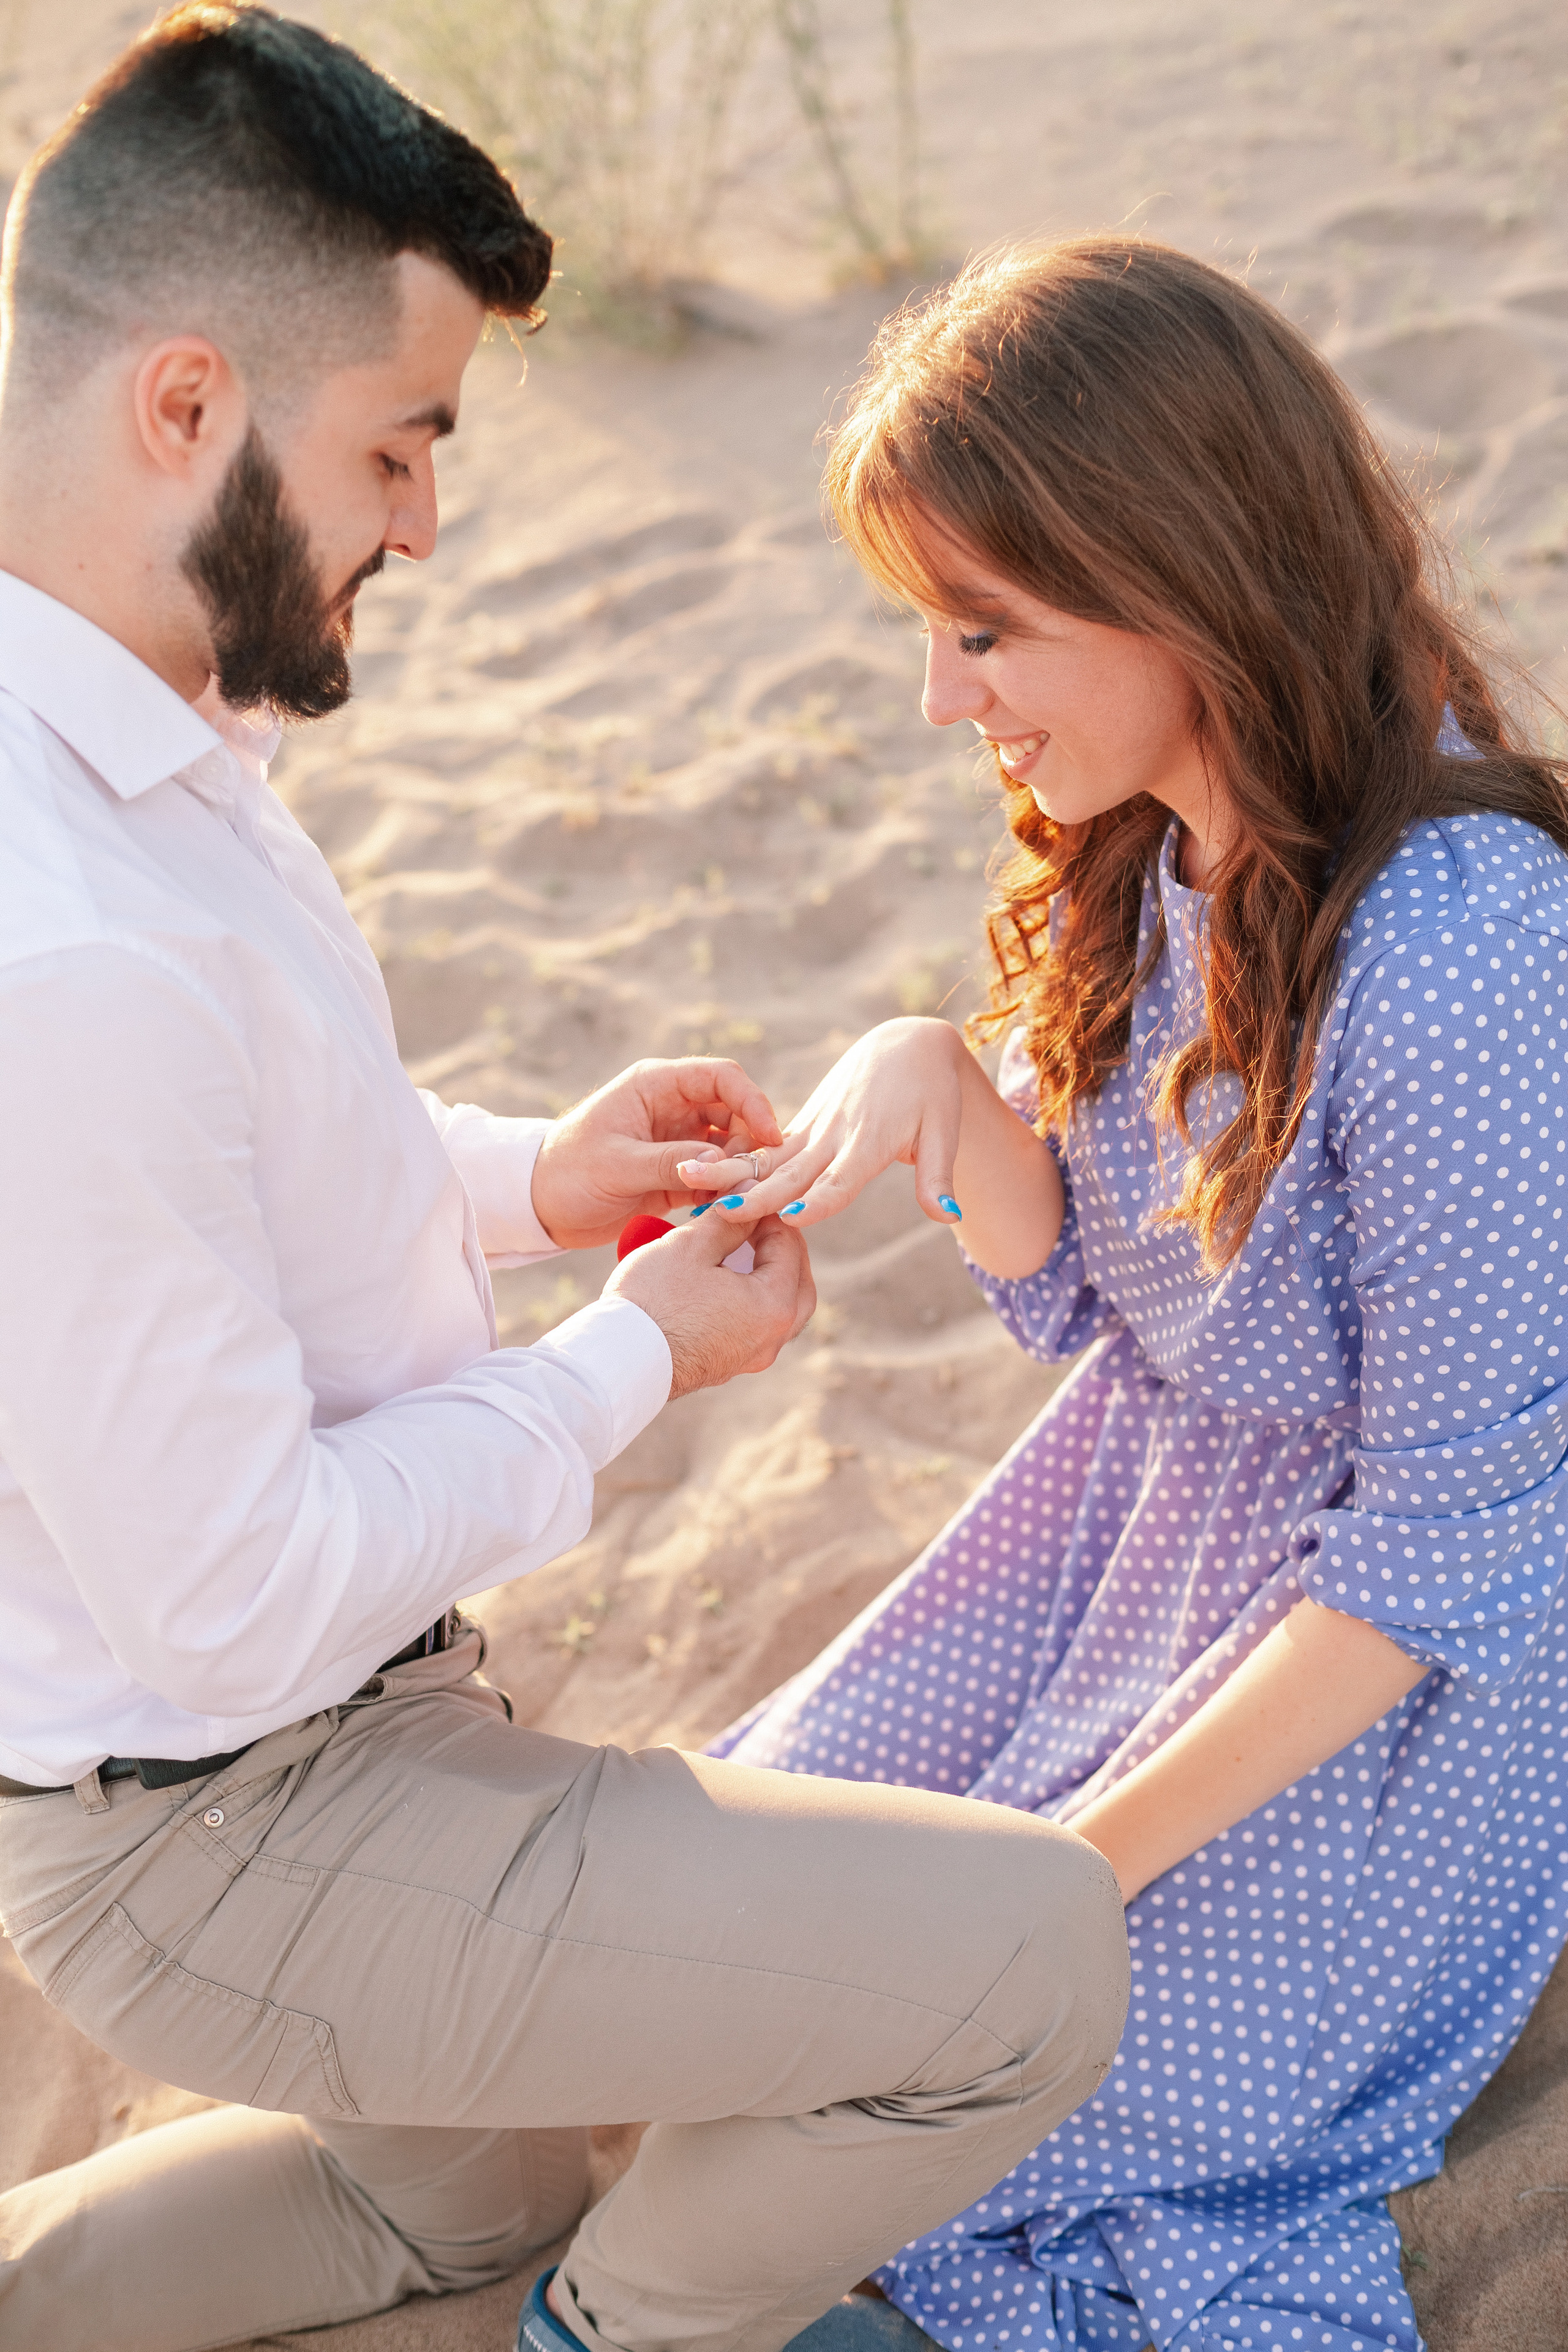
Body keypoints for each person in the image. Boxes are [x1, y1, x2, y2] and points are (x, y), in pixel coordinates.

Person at [0, 20, 1130, 2352]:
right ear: (186, 407)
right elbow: (232, 1602)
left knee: (462, 2210)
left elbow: (219, 1183)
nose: (424, 517)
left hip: (269, 1761)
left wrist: (541, 1178)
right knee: (1035, 1961)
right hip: (238, 1813)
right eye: (398, 443)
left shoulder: (136, 722)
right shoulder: (64, 937)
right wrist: (635, 1361)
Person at [687, 239, 1568, 2352]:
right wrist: (945, 1092)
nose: (940, 698)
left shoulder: (1459, 952)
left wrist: (1072, 1871)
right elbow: (1103, 1300)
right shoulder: (1162, 838)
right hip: (1120, 1546)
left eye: (985, 629)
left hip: (1368, 1698)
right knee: (740, 1956)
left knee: (1023, 2117)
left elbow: (1451, 1553)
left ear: (1183, 580)